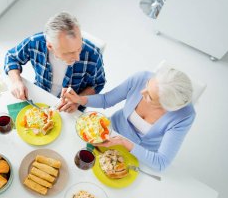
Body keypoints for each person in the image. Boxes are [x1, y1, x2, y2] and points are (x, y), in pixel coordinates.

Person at [64, 67, 196, 171]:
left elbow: (161, 163)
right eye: (147, 85)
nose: (141, 92)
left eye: (149, 97)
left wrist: (124, 143)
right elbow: (106, 100)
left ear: (167, 107)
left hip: (139, 154)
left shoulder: (184, 116)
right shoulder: (141, 77)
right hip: (108, 133)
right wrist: (80, 99)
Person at [4, 11, 106, 113]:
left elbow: (98, 83)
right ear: (50, 46)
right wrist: (16, 81)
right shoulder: (35, 43)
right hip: (40, 97)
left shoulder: (94, 55)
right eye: (69, 53)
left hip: (70, 108)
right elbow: (11, 57)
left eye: (79, 48)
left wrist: (78, 100)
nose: (77, 58)